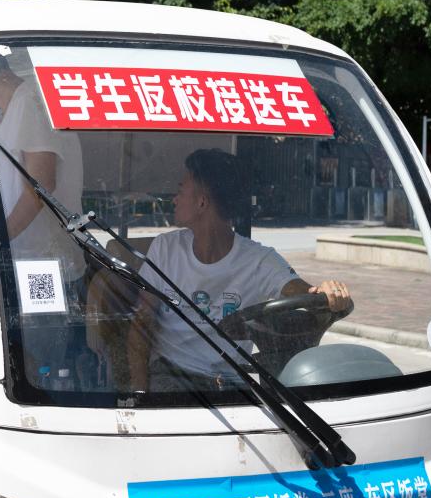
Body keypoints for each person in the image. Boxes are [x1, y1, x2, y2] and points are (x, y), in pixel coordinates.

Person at [125, 149, 352, 392]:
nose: (174, 199)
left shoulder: (259, 259)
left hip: (234, 384)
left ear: (202, 202)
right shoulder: (165, 248)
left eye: (180, 191)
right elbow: (141, 323)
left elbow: (295, 288)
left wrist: (323, 292)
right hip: (172, 377)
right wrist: (140, 394)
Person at [0, 47, 83, 270]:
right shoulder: (4, 115)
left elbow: (41, 185)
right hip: (28, 255)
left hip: (46, 258)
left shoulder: (30, 103)